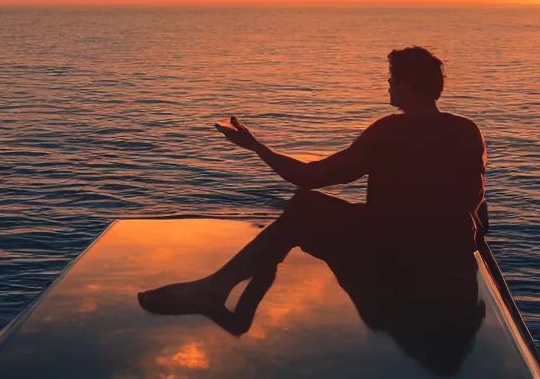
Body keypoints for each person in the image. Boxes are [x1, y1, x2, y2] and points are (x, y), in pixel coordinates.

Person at [138, 46, 489, 374]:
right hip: (446, 257)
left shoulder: (390, 131)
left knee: (305, 206)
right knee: (317, 213)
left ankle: (217, 290)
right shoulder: (467, 131)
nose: (387, 86)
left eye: (391, 80)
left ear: (407, 87)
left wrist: (254, 146)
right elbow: (475, 199)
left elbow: (309, 177)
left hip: (392, 255)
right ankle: (226, 285)